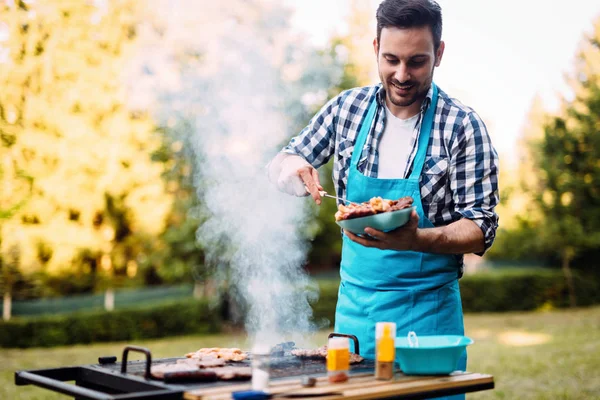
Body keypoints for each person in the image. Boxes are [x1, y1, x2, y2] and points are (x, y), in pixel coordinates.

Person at [268, 1, 499, 397]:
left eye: (417, 62)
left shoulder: (462, 126)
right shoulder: (346, 109)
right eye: (391, 59)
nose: (402, 75)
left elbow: (480, 227)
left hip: (427, 325)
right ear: (375, 47)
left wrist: (417, 240)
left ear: (439, 53)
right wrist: (290, 170)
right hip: (355, 320)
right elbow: (285, 159)